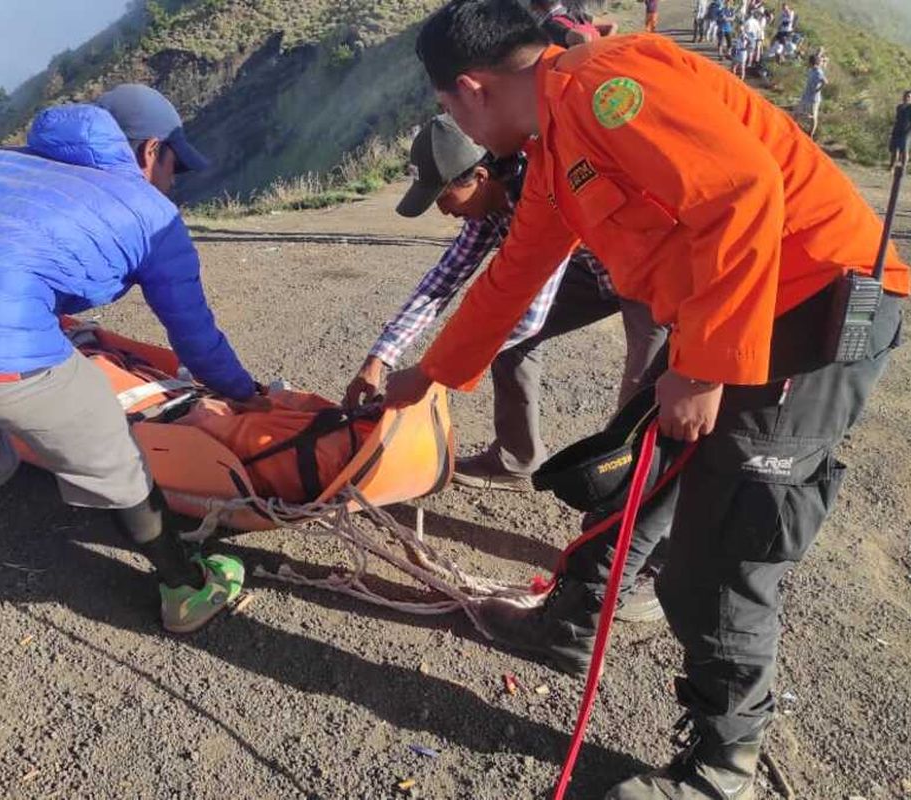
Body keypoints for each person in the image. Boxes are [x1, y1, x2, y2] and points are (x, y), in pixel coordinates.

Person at [393, 2, 907, 796]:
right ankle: (574, 621)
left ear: (469, 88)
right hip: (732, 304)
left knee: (723, 551)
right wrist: (425, 376)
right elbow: (512, 276)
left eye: (444, 106)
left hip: (809, 311)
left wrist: (701, 369)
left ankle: (720, 768)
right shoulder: (556, 140)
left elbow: (741, 191)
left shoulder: (609, 86)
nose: (450, 119)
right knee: (643, 466)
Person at [0, 86, 266, 705]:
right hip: (9, 352)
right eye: (174, 166)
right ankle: (186, 591)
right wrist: (247, 395)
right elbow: (194, 337)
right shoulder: (150, 212)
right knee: (120, 466)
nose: (173, 182)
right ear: (150, 151)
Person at [346, 115, 667, 499]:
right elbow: (442, 281)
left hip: (649, 274)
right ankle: (516, 462)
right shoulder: (489, 207)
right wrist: (379, 357)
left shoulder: (544, 188)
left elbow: (526, 315)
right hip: (594, 266)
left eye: (444, 197)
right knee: (502, 337)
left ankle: (627, 504)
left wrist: (430, 373)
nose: (444, 212)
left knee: (642, 392)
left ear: (480, 177)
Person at [530, 0, 600, 46]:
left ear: (535, 7)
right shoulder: (576, 14)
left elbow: (582, 37)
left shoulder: (548, 25)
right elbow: (610, 26)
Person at [799, 52, 828, 140]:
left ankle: (811, 133)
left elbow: (825, 82)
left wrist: (817, 90)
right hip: (807, 94)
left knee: (813, 115)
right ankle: (802, 126)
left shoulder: (818, 72)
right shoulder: (811, 70)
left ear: (811, 63)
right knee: (801, 110)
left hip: (814, 97)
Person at [888, 90, 911, 171]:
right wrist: (892, 129)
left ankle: (903, 167)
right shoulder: (899, 107)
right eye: (905, 96)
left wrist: (908, 131)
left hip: (906, 132)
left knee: (904, 150)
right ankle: (892, 166)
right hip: (897, 129)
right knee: (894, 149)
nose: (906, 98)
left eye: (908, 96)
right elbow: (897, 119)